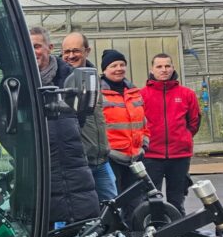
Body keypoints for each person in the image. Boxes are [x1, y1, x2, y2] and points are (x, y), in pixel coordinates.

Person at [30, 26, 99, 224]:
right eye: (29, 46)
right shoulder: (19, 81)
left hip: (72, 162)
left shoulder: (70, 77)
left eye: (37, 46)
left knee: (81, 219)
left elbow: (81, 116)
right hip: (38, 166)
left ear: (49, 47)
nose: (33, 51)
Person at [140, 53, 201, 214]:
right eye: (159, 66)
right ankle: (155, 232)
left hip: (179, 156)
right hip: (152, 156)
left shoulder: (187, 94)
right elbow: (138, 123)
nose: (164, 70)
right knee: (152, 199)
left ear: (173, 68)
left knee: (177, 200)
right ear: (151, 70)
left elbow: (194, 121)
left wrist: (183, 137)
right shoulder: (142, 95)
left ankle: (178, 232)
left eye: (167, 66)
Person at [61, 31, 117, 202]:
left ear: (87, 51)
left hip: (101, 160)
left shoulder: (93, 79)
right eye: (67, 52)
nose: (71, 56)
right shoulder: (60, 80)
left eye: (76, 51)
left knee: (112, 207)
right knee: (78, 209)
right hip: (78, 162)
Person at [100, 49, 149, 195]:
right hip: (111, 158)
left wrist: (144, 144)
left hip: (135, 158)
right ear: (105, 70)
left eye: (122, 65)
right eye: (113, 66)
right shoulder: (98, 94)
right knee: (114, 200)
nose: (119, 69)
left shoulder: (134, 92)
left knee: (135, 201)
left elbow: (143, 122)